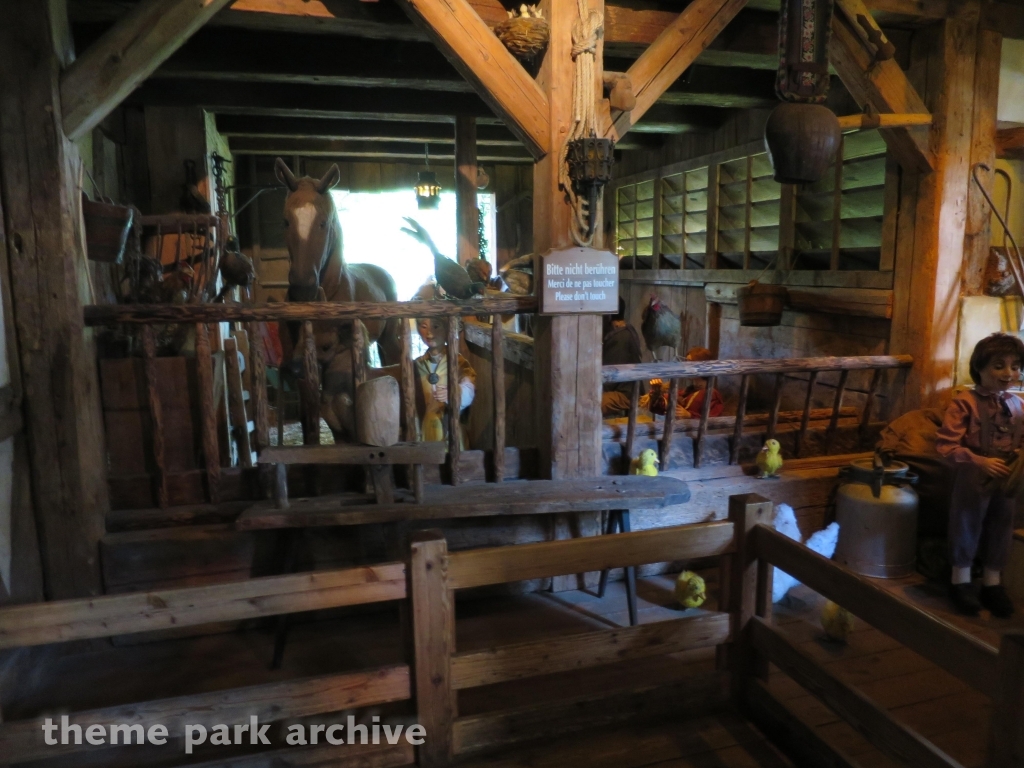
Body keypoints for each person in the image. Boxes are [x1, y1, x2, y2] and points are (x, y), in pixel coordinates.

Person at [935, 332, 1024, 618]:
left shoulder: (1017, 404)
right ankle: (960, 582)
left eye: (1015, 366)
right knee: (966, 523)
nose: (1008, 373)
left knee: (1001, 525)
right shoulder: (965, 402)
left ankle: (992, 583)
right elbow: (946, 445)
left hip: (1007, 476)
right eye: (999, 365)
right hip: (974, 473)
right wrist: (978, 460)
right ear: (980, 368)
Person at [413, 314, 476, 447]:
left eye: (436, 326)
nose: (429, 333)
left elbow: (469, 386)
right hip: (426, 432)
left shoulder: (458, 362)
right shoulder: (417, 365)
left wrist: (453, 394)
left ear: (447, 329)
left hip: (451, 431)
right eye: (424, 327)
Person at [646, 347, 724, 418]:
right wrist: (656, 393)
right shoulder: (686, 393)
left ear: (702, 367)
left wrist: (689, 415)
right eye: (686, 363)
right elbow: (660, 407)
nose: (686, 367)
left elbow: (713, 420)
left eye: (690, 363)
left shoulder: (712, 395)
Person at [601, 299, 645, 417]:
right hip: (625, 389)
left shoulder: (619, 338)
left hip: (627, 393)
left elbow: (608, 377)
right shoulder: (626, 330)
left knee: (591, 403)